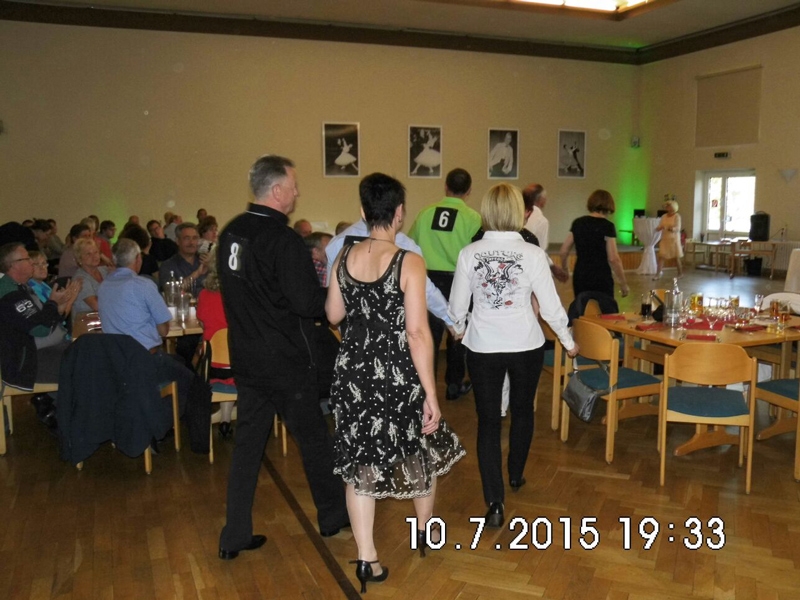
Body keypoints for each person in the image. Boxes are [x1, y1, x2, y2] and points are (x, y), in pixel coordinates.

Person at [326, 173, 464, 593]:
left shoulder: (343, 255)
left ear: (363, 211)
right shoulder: (409, 261)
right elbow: (418, 333)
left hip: (353, 372)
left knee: (359, 464)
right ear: (400, 213)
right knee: (421, 444)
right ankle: (424, 531)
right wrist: (431, 393)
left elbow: (332, 315)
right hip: (397, 374)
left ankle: (367, 558)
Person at [217, 154, 348, 560]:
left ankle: (234, 534)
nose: (297, 192)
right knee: (314, 440)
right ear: (276, 190)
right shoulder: (282, 239)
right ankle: (333, 517)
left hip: (247, 358)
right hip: (285, 361)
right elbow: (307, 303)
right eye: (293, 186)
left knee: (248, 447)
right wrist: (338, 290)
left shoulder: (232, 231)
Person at [448, 183, 577, 529]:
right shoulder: (533, 254)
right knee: (522, 411)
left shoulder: (469, 253)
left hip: (483, 347)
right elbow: (550, 307)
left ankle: (495, 500)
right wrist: (568, 341)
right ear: (519, 212)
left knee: (488, 421)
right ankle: (516, 473)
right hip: (525, 345)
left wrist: (458, 329)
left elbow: (456, 309)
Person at [97, 239, 194, 414]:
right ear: (137, 259)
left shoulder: (104, 286)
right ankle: (168, 419)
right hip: (145, 361)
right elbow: (164, 330)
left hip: (116, 362)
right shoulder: (143, 285)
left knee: (178, 361)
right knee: (194, 381)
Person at [408, 168, 481, 400]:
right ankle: (454, 384)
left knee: (428, 335)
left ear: (446, 187)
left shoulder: (425, 214)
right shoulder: (473, 218)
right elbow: (478, 253)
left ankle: (423, 389)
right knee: (457, 333)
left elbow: (410, 246)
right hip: (460, 281)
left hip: (428, 281)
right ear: (469, 191)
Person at [0, 242, 80, 390]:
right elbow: (41, 328)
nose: (31, 262)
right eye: (27, 259)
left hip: (37, 352)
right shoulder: (10, 294)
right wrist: (53, 303)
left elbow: (42, 319)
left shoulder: (20, 286)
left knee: (86, 352)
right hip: (24, 364)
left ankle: (57, 402)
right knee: (85, 364)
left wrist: (58, 308)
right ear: (13, 265)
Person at [559, 189, 629, 299]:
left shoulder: (578, 223)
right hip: (601, 276)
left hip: (581, 274)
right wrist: (623, 283)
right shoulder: (608, 226)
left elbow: (564, 251)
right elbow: (613, 258)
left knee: (582, 306)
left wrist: (565, 269)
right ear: (609, 205)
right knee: (604, 307)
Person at [196, 246, 235, 439]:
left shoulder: (204, 295)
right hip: (239, 367)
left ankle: (225, 419)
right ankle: (226, 419)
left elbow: (203, 322)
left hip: (212, 367)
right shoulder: (240, 295)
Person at [522, 183, 569, 282]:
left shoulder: (516, 215)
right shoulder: (541, 221)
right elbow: (540, 251)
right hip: (532, 270)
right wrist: (552, 266)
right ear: (541, 200)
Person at [158, 223, 208, 296]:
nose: (191, 242)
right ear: (177, 241)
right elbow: (171, 292)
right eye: (187, 238)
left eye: (194, 238)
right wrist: (197, 273)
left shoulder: (205, 261)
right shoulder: (168, 266)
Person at [71, 238, 111, 320]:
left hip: (105, 318)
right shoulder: (80, 278)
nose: (94, 256)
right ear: (80, 259)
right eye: (88, 254)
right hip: (87, 322)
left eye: (96, 252)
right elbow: (96, 306)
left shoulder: (105, 270)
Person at [655, 199, 683, 279]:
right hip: (665, 239)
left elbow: (678, 228)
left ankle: (680, 273)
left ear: (673, 207)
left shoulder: (677, 216)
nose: (667, 208)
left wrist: (670, 228)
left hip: (674, 240)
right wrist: (658, 228)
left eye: (669, 206)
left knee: (676, 258)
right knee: (661, 257)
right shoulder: (664, 216)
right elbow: (660, 225)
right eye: (667, 206)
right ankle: (657, 274)